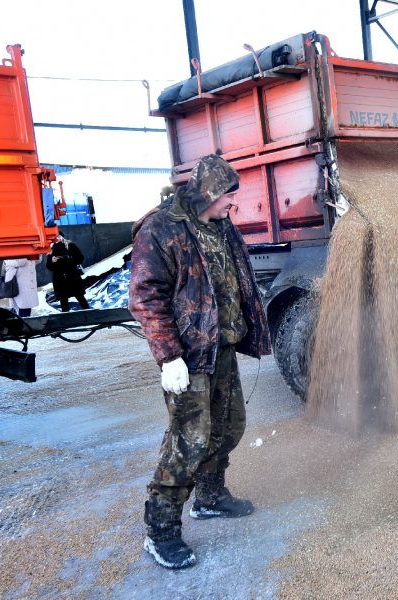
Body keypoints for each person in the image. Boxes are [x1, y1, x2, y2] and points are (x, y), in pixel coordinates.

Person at [128, 154, 271, 570]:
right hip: (188, 356)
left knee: (228, 428)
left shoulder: (220, 224)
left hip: (222, 346)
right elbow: (145, 296)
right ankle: (162, 530)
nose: (233, 204)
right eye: (228, 196)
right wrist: (168, 355)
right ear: (208, 193)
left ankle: (209, 497)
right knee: (188, 440)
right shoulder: (161, 228)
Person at [45, 235, 89, 311]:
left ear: (62, 237)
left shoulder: (70, 245)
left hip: (72, 276)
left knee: (80, 297)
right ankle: (66, 319)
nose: (57, 239)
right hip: (60, 279)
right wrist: (53, 261)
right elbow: (49, 266)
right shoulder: (51, 249)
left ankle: (90, 315)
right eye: (55, 238)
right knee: (63, 301)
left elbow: (80, 258)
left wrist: (69, 259)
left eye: (59, 236)